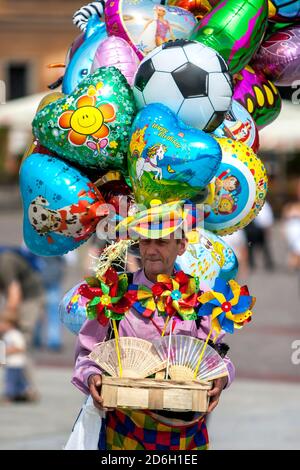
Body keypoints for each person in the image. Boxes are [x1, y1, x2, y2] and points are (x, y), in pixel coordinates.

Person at [71, 232, 235, 451]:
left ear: (181, 246)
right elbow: (87, 354)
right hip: (124, 428)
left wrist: (221, 377)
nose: (151, 250)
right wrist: (92, 375)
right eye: (146, 241)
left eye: (162, 242)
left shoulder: (200, 298)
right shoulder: (115, 291)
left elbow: (217, 357)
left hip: (185, 431)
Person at [0, 248, 45, 397]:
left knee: (22, 339)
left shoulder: (5, 262)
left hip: (30, 299)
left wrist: (6, 322)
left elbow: (14, 295)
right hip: (18, 298)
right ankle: (20, 387)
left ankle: (27, 388)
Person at [0, 316, 31, 402]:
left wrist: (6, 351)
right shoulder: (6, 335)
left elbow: (21, 347)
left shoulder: (15, 334)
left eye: (2, 323)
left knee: (10, 380)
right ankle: (25, 393)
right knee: (18, 381)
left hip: (16, 363)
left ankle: (9, 396)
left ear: (10, 324)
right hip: (11, 363)